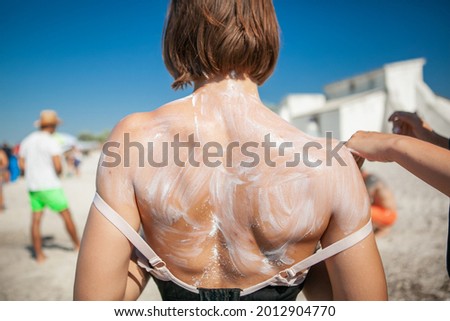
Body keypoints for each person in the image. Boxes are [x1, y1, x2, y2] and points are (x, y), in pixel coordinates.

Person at [74, 0, 387, 301]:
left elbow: (97, 301)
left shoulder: (135, 138)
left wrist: (156, 239)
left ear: (177, 33)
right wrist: (307, 248)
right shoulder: (329, 161)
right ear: (267, 32)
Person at [346, 111, 450, 276]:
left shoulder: (371, 179)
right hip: (389, 215)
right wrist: (431, 139)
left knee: (353, 210)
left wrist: (393, 144)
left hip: (389, 215)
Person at [19, 110, 80, 263]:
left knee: (36, 220)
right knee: (66, 215)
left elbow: (21, 164)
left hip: (33, 186)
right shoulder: (51, 141)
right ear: (53, 126)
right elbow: (58, 166)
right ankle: (77, 245)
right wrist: (59, 173)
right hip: (50, 185)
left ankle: (39, 255)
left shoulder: (27, 140)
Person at [361, 169, 397, 236]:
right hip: (388, 213)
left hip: (387, 214)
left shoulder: (371, 180)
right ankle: (382, 229)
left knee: (361, 211)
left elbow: (364, 199)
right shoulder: (373, 178)